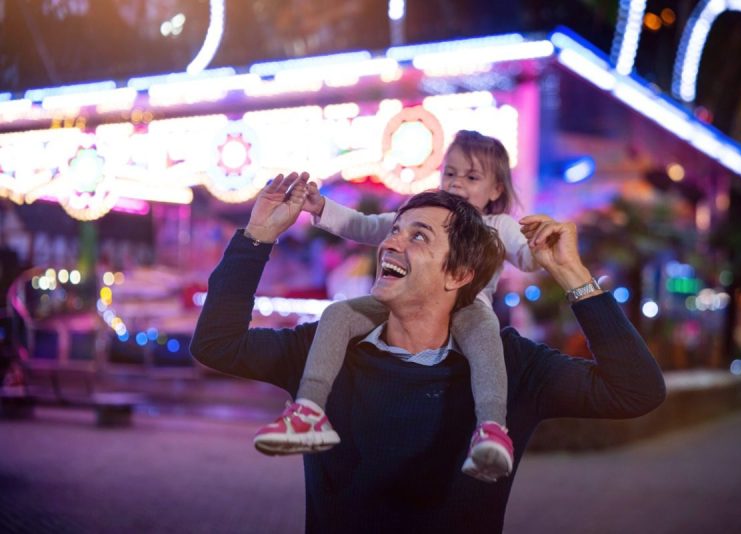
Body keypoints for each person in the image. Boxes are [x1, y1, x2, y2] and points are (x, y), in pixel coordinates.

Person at [190, 173, 666, 533]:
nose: (392, 242)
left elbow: (635, 391)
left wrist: (571, 274)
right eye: (396, 231)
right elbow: (216, 344)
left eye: (418, 236)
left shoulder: (511, 365)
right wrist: (256, 238)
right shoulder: (327, 351)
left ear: (457, 275)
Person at [253, 130, 538, 483]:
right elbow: (365, 225)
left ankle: (492, 428)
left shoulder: (497, 225)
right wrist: (321, 207)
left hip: (468, 305)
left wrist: (542, 244)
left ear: (496, 190)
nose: (456, 183)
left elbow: (527, 258)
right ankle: (309, 408)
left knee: (486, 337)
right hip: (404, 302)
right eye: (450, 172)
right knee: (339, 313)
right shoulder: (423, 215)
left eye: (471, 176)